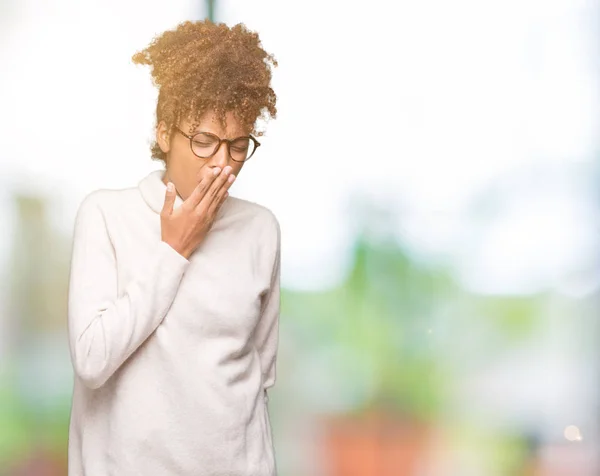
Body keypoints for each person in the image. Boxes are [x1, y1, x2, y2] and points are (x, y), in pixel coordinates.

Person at [66, 20, 281, 476]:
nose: (222, 163)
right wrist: (175, 250)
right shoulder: (106, 216)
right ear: (164, 134)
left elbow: (258, 381)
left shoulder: (260, 230)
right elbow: (91, 360)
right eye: (203, 141)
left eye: (238, 146)